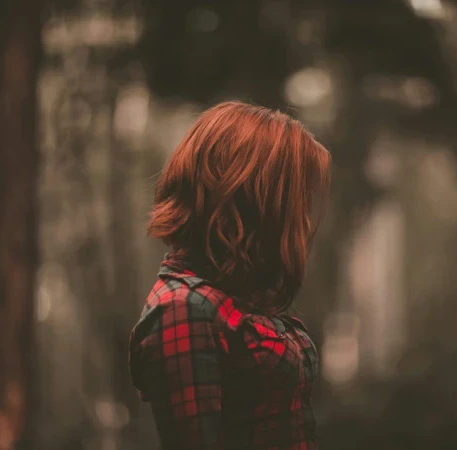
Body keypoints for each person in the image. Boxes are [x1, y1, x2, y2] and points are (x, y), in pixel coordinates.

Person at [129, 101, 331, 449]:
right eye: (293, 200)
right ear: (253, 200)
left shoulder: (236, 296)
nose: (302, 219)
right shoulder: (184, 309)